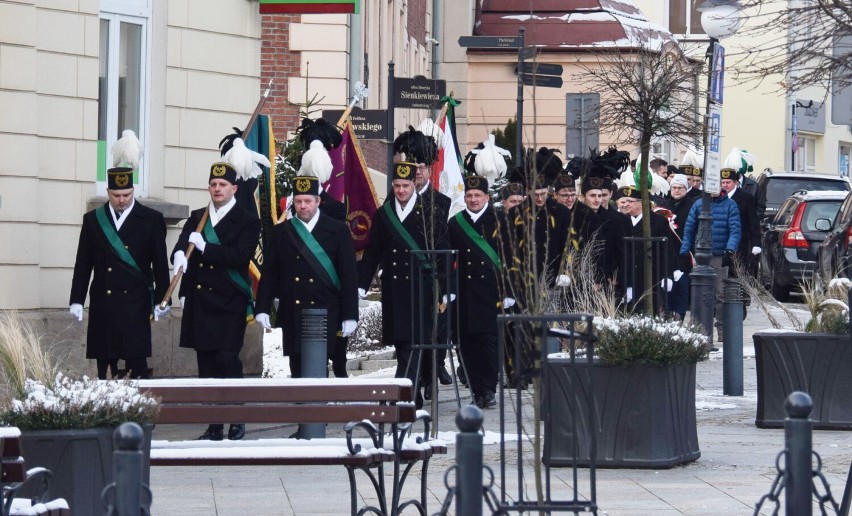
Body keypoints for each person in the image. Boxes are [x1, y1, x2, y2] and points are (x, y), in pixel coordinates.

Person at [172, 162, 260, 441]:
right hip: (200, 300)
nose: (217, 189)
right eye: (213, 184)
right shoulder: (198, 217)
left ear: (234, 188)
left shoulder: (247, 220)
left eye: (223, 185)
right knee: (206, 365)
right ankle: (213, 425)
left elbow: (239, 257)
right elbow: (183, 249)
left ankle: (236, 418)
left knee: (227, 360)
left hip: (229, 301)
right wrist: (177, 258)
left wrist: (206, 248)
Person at [358, 161, 450, 408]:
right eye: (397, 185)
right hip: (394, 289)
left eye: (405, 185)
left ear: (414, 185)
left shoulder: (431, 213)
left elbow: (443, 253)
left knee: (416, 340)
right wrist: (361, 284)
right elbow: (373, 253)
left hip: (422, 288)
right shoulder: (383, 214)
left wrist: (447, 288)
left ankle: (403, 389)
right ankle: (412, 391)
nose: (401, 190)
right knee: (401, 342)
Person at [69, 166, 170, 380]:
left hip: (136, 304)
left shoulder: (151, 219)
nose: (122, 200)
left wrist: (163, 299)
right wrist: (77, 299)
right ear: (108, 192)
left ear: (133, 191)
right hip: (104, 305)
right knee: (105, 370)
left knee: (137, 368)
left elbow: (160, 265)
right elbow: (83, 264)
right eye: (116, 195)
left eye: (127, 194)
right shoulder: (93, 220)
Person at [255, 175, 358, 378]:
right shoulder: (282, 232)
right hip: (293, 309)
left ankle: (319, 409)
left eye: (308, 201)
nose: (303, 206)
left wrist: (350, 314)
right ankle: (301, 409)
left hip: (326, 310)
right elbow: (270, 273)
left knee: (319, 368)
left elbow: (348, 275)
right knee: (297, 367)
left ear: (318, 201)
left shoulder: (337, 230)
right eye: (299, 201)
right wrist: (262, 308)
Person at [393, 126, 453, 394]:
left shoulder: (441, 202)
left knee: (433, 330)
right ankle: (420, 378)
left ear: (429, 169)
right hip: (404, 280)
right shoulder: (395, 197)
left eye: (421, 166)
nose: (416, 171)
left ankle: (431, 370)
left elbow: (444, 243)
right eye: (412, 165)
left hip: (431, 276)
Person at [448, 175, 501, 409]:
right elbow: (448, 260)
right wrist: (449, 290)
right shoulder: (455, 223)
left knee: (489, 343)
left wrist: (509, 291)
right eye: (469, 196)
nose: (473, 199)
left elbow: (510, 259)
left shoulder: (500, 220)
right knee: (466, 343)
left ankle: (489, 388)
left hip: (492, 292)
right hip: (464, 292)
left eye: (478, 195)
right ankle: (476, 388)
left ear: (486, 198)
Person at [679, 187, 741, 343]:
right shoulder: (699, 204)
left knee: (720, 293)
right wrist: (685, 249)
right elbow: (689, 228)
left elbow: (735, 229)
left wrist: (730, 249)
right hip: (700, 254)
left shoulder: (730, 204)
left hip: (719, 254)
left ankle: (721, 328)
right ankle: (697, 327)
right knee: (699, 292)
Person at [614, 186, 678, 312]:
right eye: (624, 201)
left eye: (630, 201)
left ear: (642, 203)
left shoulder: (658, 222)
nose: (626, 205)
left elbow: (666, 250)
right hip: (625, 275)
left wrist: (667, 275)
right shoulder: (620, 220)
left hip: (650, 276)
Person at [659, 174, 697, 318]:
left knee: (682, 283)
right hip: (666, 250)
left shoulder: (692, 205)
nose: (676, 190)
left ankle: (679, 313)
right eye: (674, 187)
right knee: (666, 282)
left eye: (680, 188)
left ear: (686, 189)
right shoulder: (664, 206)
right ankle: (666, 310)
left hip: (684, 250)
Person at [721, 167, 762, 279]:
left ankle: (737, 295)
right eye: (723, 182)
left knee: (737, 272)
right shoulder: (718, 197)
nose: (725, 185)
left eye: (728, 182)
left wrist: (756, 243)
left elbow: (753, 222)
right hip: (721, 241)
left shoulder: (746, 198)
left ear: (736, 183)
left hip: (740, 242)